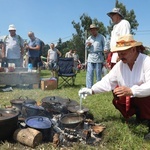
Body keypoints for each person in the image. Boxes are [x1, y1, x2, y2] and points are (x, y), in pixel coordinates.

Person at [78, 34, 150, 123]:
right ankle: (139, 116)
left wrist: (132, 91)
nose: (120, 56)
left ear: (133, 50)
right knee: (117, 96)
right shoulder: (120, 65)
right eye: (119, 53)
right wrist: (91, 90)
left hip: (146, 98)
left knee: (144, 97)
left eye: (123, 53)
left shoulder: (146, 61)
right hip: (134, 99)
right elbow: (108, 81)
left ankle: (146, 118)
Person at [85, 24, 106, 88]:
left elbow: (105, 44)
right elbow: (86, 48)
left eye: (94, 30)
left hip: (98, 56)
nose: (93, 31)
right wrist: (88, 45)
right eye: (91, 30)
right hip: (91, 56)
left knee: (98, 73)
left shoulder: (101, 37)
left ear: (96, 30)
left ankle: (98, 87)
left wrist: (105, 50)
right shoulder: (89, 38)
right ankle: (89, 87)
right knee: (89, 72)